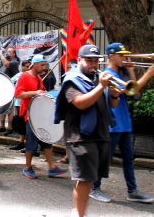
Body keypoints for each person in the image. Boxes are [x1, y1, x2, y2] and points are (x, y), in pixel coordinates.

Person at [54, 44, 120, 217]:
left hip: (100, 134)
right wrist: (101, 87)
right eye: (88, 60)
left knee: (89, 179)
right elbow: (81, 103)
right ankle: (79, 214)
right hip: (80, 136)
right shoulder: (71, 80)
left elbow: (113, 105)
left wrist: (114, 93)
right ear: (79, 60)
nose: (93, 64)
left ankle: (77, 212)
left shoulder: (97, 78)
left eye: (96, 61)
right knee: (85, 179)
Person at [90, 43, 154, 204]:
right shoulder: (108, 73)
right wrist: (147, 75)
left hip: (124, 122)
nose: (125, 58)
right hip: (113, 122)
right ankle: (94, 187)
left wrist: (131, 71)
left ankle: (132, 191)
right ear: (112, 56)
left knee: (128, 158)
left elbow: (133, 91)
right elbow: (129, 90)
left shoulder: (121, 72)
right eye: (121, 55)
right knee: (105, 158)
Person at [15, 54, 67, 179]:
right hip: (30, 116)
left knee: (46, 142)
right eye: (42, 65)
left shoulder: (38, 78)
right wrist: (35, 92)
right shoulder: (24, 76)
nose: (44, 68)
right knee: (31, 144)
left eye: (45, 65)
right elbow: (17, 94)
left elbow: (41, 94)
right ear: (35, 64)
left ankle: (52, 167)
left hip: (40, 115)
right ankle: (27, 167)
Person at [0, 47, 20, 134]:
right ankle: (2, 126)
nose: (7, 53)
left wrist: (1, 53)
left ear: (14, 54)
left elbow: (6, 64)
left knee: (10, 109)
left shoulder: (14, 62)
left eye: (9, 52)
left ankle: (10, 128)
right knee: (2, 108)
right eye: (7, 51)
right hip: (2, 89)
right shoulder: (5, 63)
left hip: (9, 89)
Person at [8, 59, 31, 151]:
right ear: (22, 67)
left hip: (28, 104)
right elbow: (10, 81)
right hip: (19, 103)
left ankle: (27, 143)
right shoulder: (19, 75)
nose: (28, 68)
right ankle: (21, 142)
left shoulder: (33, 76)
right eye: (26, 66)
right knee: (21, 122)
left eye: (29, 66)